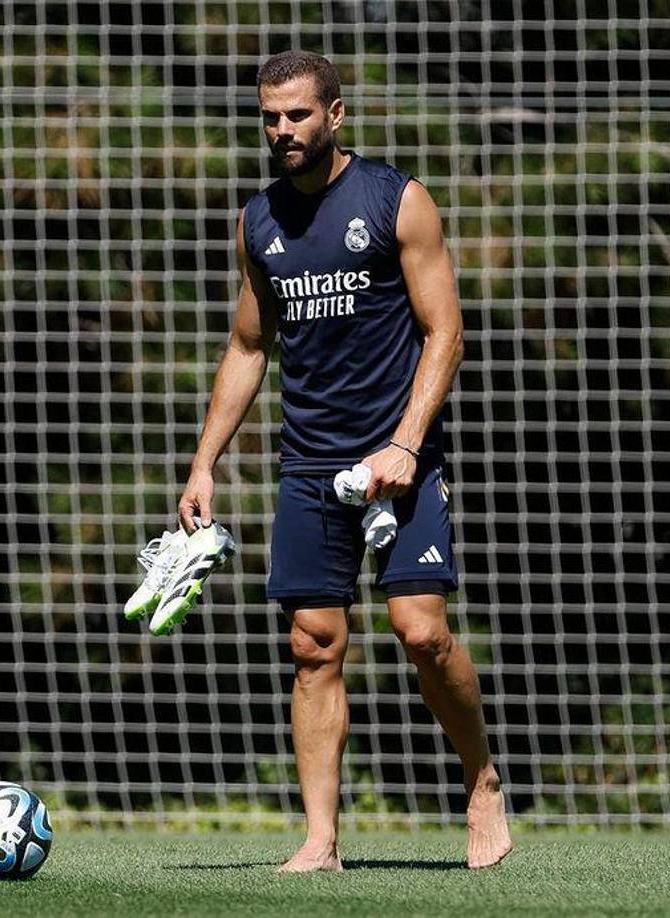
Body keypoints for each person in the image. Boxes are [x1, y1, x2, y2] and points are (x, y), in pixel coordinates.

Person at [178, 50, 512, 873]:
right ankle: (322, 840)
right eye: (270, 117)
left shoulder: (396, 200)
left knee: (421, 633)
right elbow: (250, 345)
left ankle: (481, 782)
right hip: (308, 465)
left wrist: (404, 443)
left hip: (403, 456)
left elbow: (447, 333)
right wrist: (204, 463)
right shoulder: (258, 222)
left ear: (335, 115)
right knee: (312, 645)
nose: (282, 130)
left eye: (297, 114)